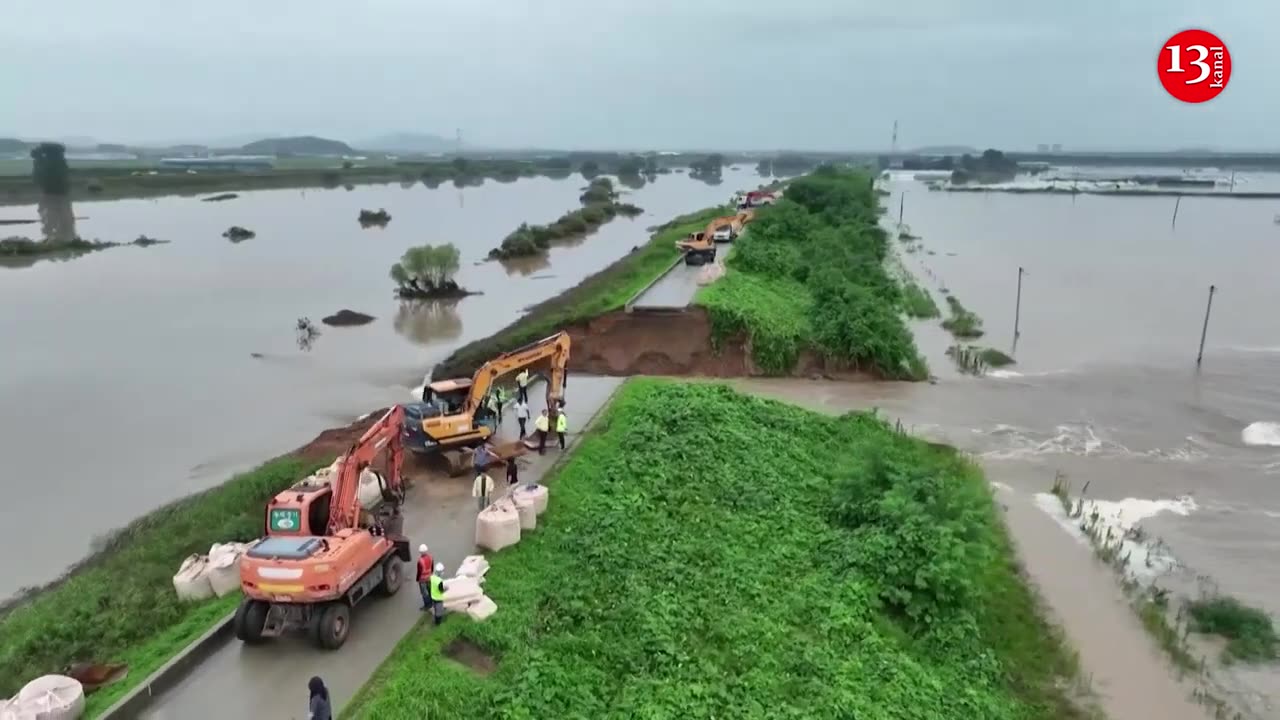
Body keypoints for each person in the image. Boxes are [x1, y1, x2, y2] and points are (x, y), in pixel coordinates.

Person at [415, 544, 434, 611]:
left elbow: (419, 572)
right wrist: (430, 574)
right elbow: (432, 568)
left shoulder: (420, 561)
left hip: (422, 579)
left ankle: (427, 605)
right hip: (429, 577)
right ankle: (432, 603)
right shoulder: (431, 557)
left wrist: (417, 579)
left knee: (424, 593)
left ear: (420, 552)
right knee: (430, 590)